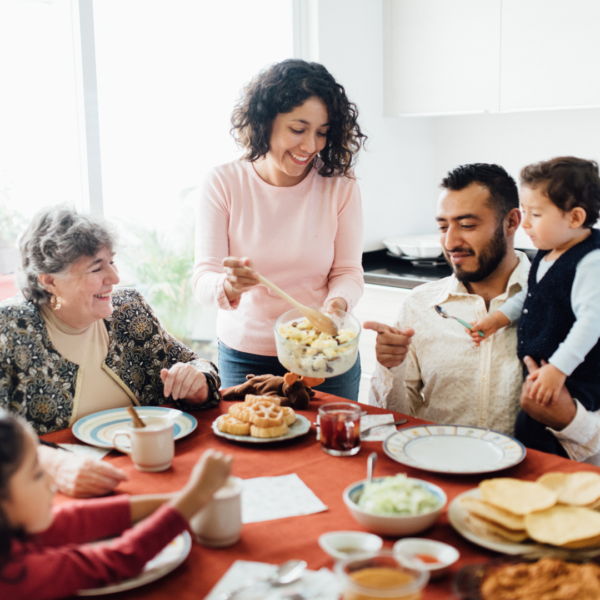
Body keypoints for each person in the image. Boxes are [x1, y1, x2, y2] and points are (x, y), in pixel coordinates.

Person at [0, 206, 222, 497]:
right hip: (65, 491)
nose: (115, 277)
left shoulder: (129, 310)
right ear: (50, 281)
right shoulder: (10, 329)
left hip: (158, 471)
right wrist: (54, 464)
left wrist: (198, 383)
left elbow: (198, 365)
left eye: (112, 262)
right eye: (97, 268)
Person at [192, 59, 366, 401]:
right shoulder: (224, 182)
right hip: (246, 355)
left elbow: (348, 271)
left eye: (322, 132)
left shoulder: (339, 184)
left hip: (323, 356)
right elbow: (202, 279)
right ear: (264, 121)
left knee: (330, 452)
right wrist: (227, 285)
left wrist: (336, 307)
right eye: (298, 129)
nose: (311, 146)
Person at [0, 409, 232, 600]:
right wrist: (195, 497)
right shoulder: (15, 576)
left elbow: (73, 520)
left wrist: (179, 498)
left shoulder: (11, 533)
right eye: (37, 474)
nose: (51, 479)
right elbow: (118, 558)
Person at [366, 164, 528, 435]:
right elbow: (392, 423)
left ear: (511, 222)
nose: (450, 242)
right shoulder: (419, 306)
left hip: (528, 473)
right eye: (443, 227)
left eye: (466, 225)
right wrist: (391, 368)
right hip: (437, 463)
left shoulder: (562, 302)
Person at [467, 157, 600, 456]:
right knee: (529, 431)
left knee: (554, 441)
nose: (524, 223)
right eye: (524, 212)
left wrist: (558, 369)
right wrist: (498, 318)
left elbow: (591, 323)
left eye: (535, 214)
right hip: (545, 372)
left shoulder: (591, 261)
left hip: (575, 376)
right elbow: (531, 294)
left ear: (576, 218)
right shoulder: (547, 252)